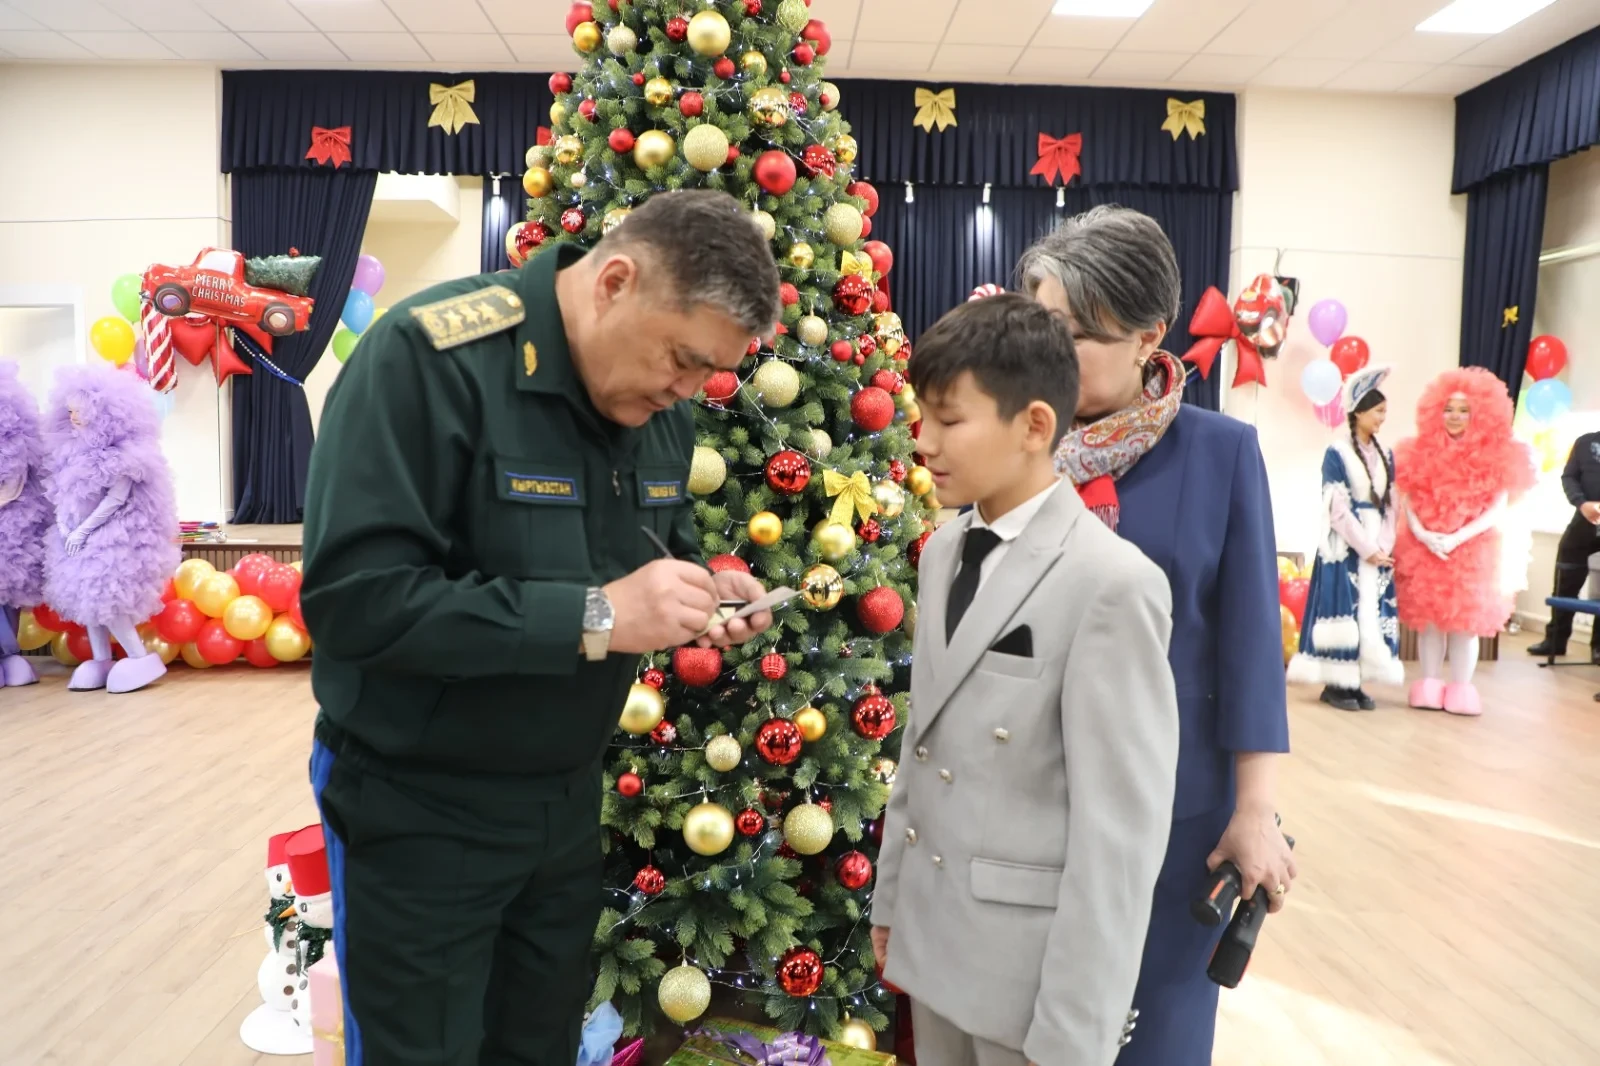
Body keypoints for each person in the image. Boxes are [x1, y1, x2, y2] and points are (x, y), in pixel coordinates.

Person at [299, 190, 780, 1066]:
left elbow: (653, 546)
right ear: (615, 282)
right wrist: (599, 616)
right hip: (418, 799)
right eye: (682, 358)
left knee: (538, 1046)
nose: (687, 389)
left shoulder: (659, 411)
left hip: (562, 798)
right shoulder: (429, 358)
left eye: (707, 371)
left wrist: (705, 590)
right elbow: (356, 602)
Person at [870, 293, 1179, 1066]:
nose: (923, 441)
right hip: (933, 947)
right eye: (921, 416)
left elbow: (1119, 839)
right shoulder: (944, 549)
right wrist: (891, 900)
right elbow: (922, 741)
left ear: (1036, 425)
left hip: (1030, 983)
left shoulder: (1111, 583)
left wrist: (1075, 1032)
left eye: (949, 419)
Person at [1018, 206, 1294, 1066]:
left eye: (1076, 335)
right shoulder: (1013, 448)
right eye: (1042, 328)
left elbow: (1250, 651)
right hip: (1023, 801)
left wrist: (1256, 811)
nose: (1050, 354)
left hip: (1170, 814)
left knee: (1151, 1034)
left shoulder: (1221, 453)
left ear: (1148, 336)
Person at [1394, 368, 1535, 715]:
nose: (1454, 417)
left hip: (1473, 553)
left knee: (1464, 627)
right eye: (1448, 409)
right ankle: (1428, 685)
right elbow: (1408, 499)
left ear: (1479, 414)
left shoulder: (1497, 456)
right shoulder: (1418, 452)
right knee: (1429, 624)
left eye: (1463, 410)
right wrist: (1424, 535)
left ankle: (1460, 688)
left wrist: (1457, 538)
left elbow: (1497, 508)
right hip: (1426, 550)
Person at [1288, 366, 1405, 709]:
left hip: (1376, 545)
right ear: (1359, 412)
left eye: (1384, 411)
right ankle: (1337, 682)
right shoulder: (1336, 453)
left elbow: (1392, 504)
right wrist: (1366, 548)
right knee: (1344, 609)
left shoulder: (1386, 455)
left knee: (1370, 613)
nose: (1383, 418)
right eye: (1378, 411)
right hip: (1346, 545)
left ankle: (1357, 681)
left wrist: (1383, 546)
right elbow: (1336, 507)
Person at [1528, 429, 1600, 661]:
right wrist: (1582, 504)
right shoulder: (1585, 442)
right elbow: (1569, 477)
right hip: (1583, 521)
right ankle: (1555, 642)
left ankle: (1598, 649)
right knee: (1564, 582)